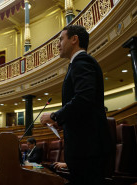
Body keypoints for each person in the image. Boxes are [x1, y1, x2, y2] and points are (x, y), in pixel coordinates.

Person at [40, 25, 111, 185]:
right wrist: (60, 122)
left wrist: (54, 116)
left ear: (74, 39)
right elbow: (82, 107)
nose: (57, 44)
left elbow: (84, 99)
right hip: (84, 148)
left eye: (61, 39)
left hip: (87, 148)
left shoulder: (82, 61)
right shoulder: (77, 63)